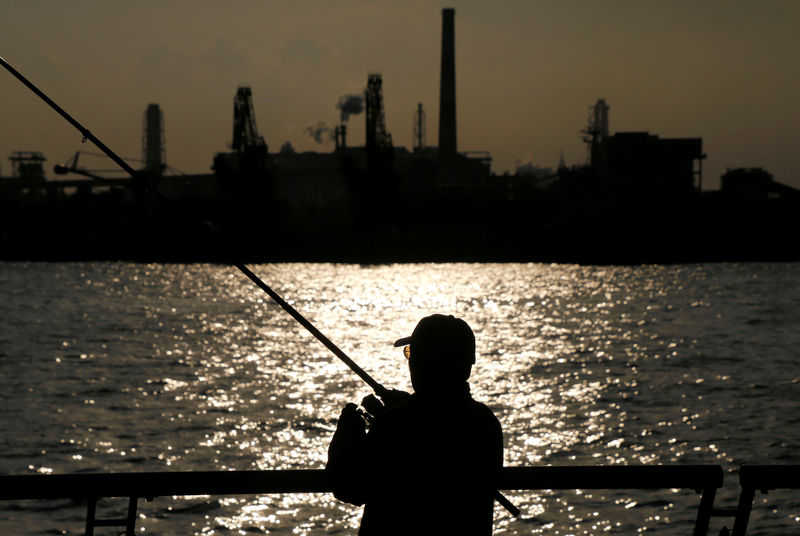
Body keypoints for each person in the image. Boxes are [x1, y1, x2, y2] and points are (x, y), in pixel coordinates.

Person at [326, 314, 503, 535]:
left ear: (424, 361)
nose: (410, 361)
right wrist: (405, 408)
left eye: (412, 353)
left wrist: (349, 429)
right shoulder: (485, 422)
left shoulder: (394, 426)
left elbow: (349, 487)